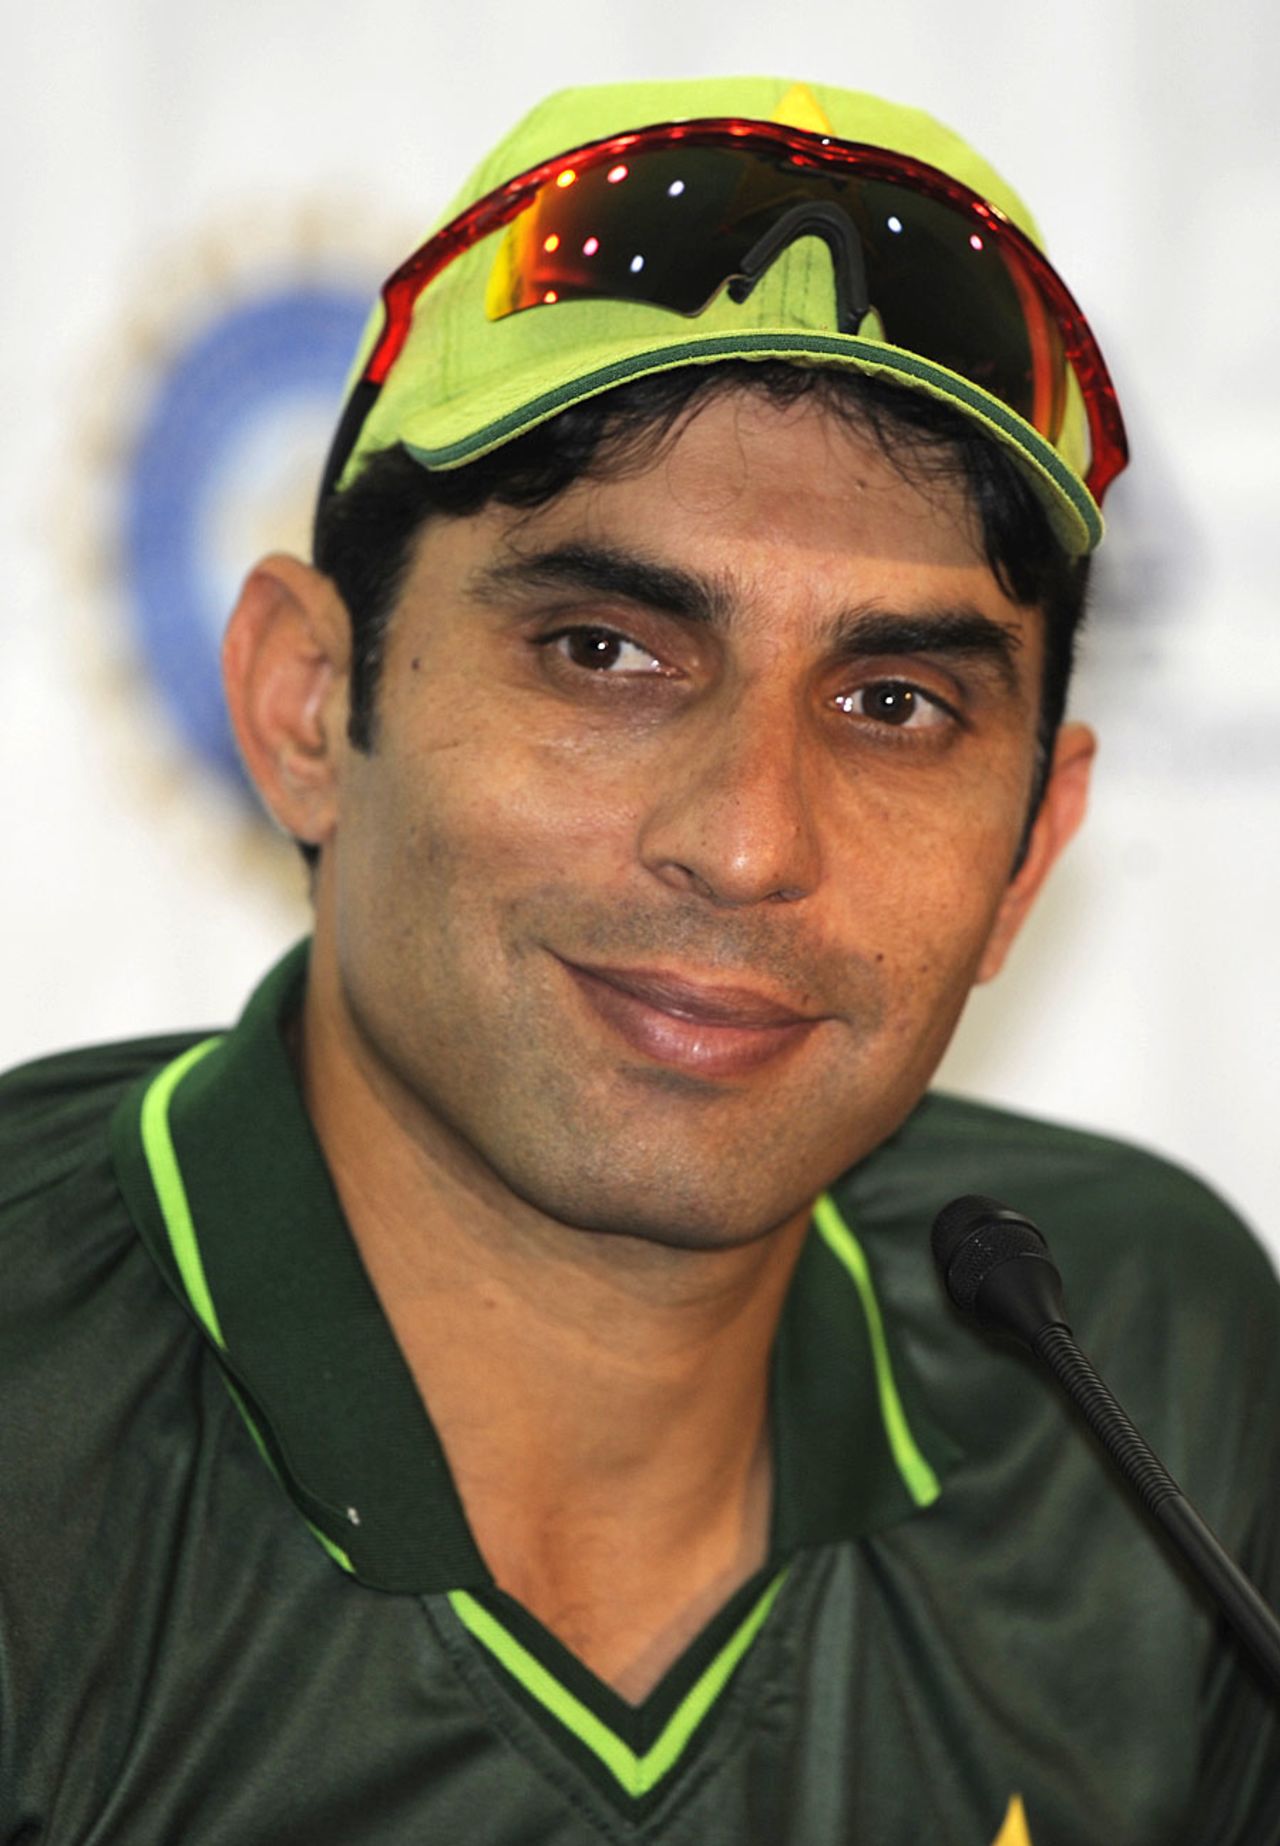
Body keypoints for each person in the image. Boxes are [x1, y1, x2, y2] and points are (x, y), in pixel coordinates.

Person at [2, 75, 1277, 1846]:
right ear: (306, 702)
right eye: (604, 650)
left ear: (1026, 858)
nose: (750, 839)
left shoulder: (1143, 1366)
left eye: (893, 701)